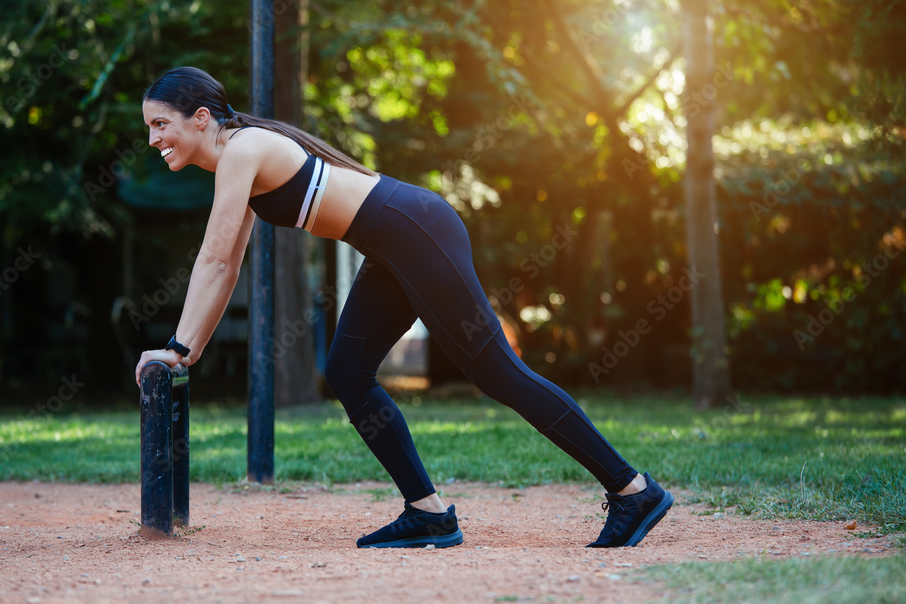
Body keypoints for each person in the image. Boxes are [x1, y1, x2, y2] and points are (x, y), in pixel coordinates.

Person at [134, 66, 673, 549]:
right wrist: (188, 353)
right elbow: (226, 265)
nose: (153, 138)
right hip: (393, 243)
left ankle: (632, 489)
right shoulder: (238, 159)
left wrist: (178, 347)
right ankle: (428, 512)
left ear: (201, 117)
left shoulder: (243, 149)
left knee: (497, 372)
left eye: (161, 124)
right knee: (347, 371)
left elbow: (210, 257)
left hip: (415, 230)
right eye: (150, 128)